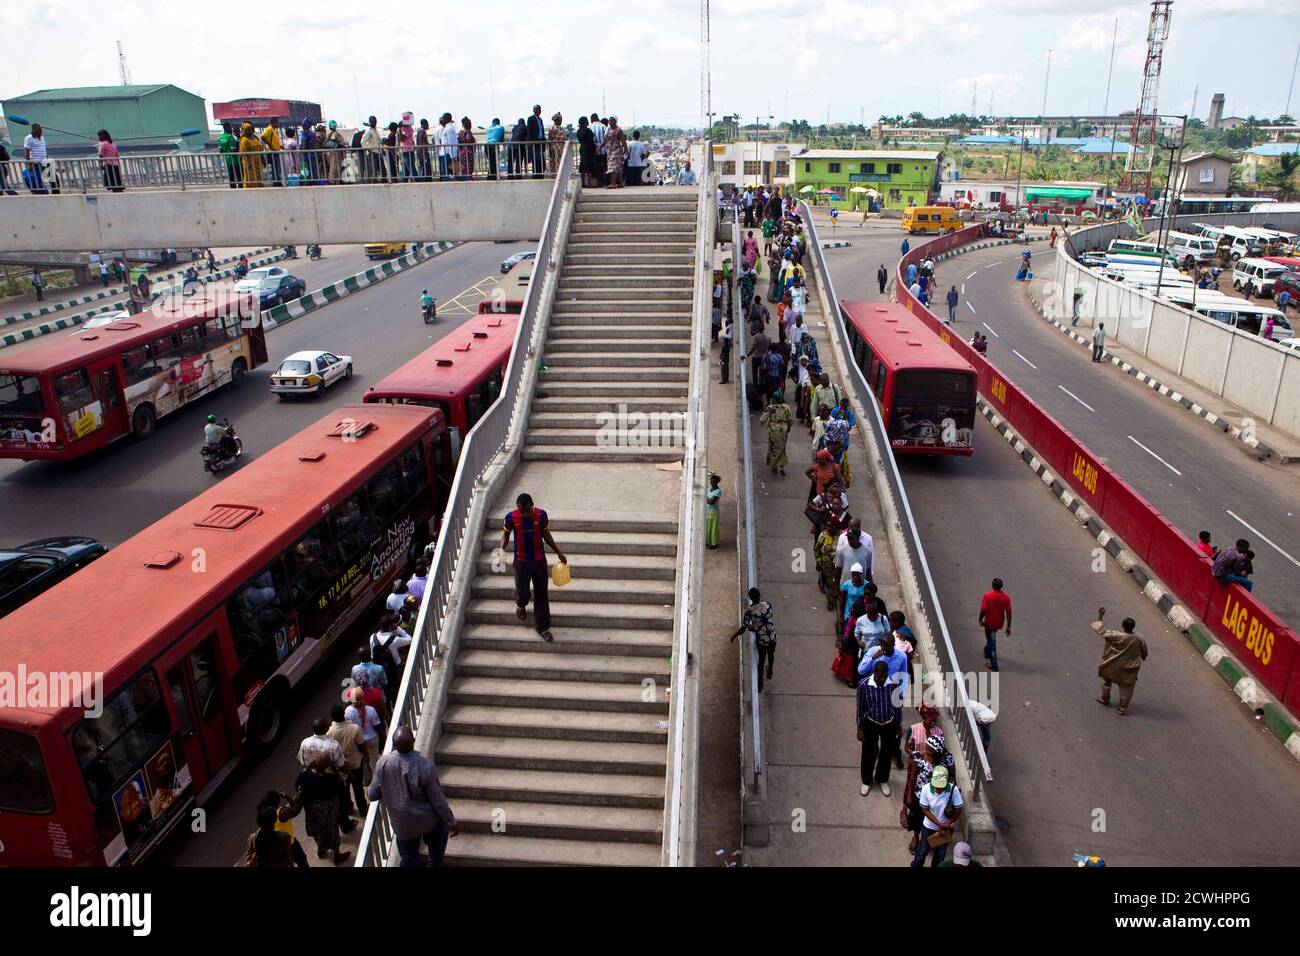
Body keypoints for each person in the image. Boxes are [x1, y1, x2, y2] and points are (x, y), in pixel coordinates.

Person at [367, 726, 458, 867]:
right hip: (428, 821)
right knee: (437, 845)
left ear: (393, 744)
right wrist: (451, 821)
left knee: (408, 859)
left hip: (403, 825)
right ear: (413, 741)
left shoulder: (383, 764)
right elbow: (438, 800)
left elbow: (372, 795)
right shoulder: (425, 765)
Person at [502, 493, 567, 642]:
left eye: (527, 510)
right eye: (521, 511)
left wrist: (559, 553)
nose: (524, 514)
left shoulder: (541, 515)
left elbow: (546, 534)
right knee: (523, 592)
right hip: (521, 563)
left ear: (532, 504)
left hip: (539, 562)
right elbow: (505, 535)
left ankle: (542, 627)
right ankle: (521, 604)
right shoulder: (511, 517)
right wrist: (501, 549)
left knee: (541, 594)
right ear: (518, 508)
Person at [1091, 606, 1149, 716]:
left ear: (1123, 626)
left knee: (1107, 680)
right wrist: (1143, 656)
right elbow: (1144, 651)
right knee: (1126, 688)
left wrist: (1100, 616)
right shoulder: (1139, 637)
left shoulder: (1117, 636)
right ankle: (1122, 708)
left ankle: (1105, 698)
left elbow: (1101, 631)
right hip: (1130, 668)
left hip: (1113, 664)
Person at [856, 659, 900, 798]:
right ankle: (867, 780)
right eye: (879, 677)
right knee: (869, 752)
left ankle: (882, 779)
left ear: (887, 674)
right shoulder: (863, 685)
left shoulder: (893, 683)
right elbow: (860, 708)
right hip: (871, 722)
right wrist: (860, 728)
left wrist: (899, 724)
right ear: (874, 673)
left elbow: (897, 705)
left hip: (889, 723)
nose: (881, 681)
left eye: (884, 677)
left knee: (886, 752)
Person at [296, 754, 350, 864]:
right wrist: (335, 769)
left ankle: (321, 849)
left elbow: (297, 785)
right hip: (328, 808)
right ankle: (337, 856)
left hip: (312, 808)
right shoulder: (329, 778)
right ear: (326, 766)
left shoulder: (305, 774)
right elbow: (340, 786)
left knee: (317, 830)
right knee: (333, 831)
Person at [912, 765, 962, 868]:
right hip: (929, 827)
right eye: (936, 785)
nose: (938, 788)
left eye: (941, 785)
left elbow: (958, 810)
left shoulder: (954, 790)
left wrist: (948, 823)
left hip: (946, 830)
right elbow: (925, 810)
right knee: (922, 852)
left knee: (940, 855)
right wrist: (939, 824)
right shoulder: (926, 789)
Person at [730, 587, 777, 691]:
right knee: (771, 655)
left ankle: (760, 683)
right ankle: (770, 672)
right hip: (772, 635)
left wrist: (734, 635)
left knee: (761, 660)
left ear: (750, 598)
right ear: (760, 595)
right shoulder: (768, 604)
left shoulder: (750, 611)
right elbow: (768, 617)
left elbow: (744, 628)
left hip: (762, 639)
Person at [327, 703, 367, 817]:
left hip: (341, 766)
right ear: (343, 714)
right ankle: (362, 808)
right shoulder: (354, 728)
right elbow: (361, 744)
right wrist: (365, 755)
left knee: (345, 789)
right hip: (355, 762)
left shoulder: (329, 733)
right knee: (358, 787)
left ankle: (349, 807)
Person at [370, 612, 412, 692]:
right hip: (395, 668)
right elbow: (410, 639)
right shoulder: (394, 640)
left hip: (380, 669)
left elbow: (372, 656)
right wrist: (398, 629)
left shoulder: (372, 637)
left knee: (387, 689)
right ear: (391, 626)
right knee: (399, 687)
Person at [978, 577, 1012, 672]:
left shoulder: (987, 596)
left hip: (989, 622)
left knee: (992, 641)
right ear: (1001, 587)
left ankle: (994, 664)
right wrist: (1008, 626)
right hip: (999, 622)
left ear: (992, 586)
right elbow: (1008, 612)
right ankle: (987, 651)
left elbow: (983, 610)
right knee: (990, 637)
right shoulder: (1006, 598)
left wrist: (980, 619)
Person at [759, 390, 793, 474]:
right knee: (782, 448)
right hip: (783, 431)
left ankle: (773, 466)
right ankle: (781, 467)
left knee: (773, 448)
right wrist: (788, 430)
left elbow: (762, 420)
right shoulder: (786, 407)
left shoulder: (770, 408)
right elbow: (790, 420)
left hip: (773, 431)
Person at [602, 116, 628, 189]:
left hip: (617, 150)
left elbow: (623, 141)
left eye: (611, 120)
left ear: (615, 121)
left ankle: (613, 183)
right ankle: (621, 183)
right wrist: (600, 147)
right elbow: (605, 140)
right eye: (609, 121)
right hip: (610, 150)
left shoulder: (619, 130)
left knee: (614, 166)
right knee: (617, 167)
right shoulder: (608, 130)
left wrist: (626, 149)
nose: (610, 122)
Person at [22, 123, 48, 192]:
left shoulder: (42, 137)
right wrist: (29, 163)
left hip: (44, 162)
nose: (41, 131)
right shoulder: (29, 138)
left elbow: (44, 149)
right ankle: (39, 192)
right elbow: (27, 151)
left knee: (53, 177)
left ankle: (55, 192)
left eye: (41, 129)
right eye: (39, 129)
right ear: (34, 130)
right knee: (37, 178)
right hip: (35, 163)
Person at [576, 116, 598, 188]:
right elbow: (591, 141)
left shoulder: (579, 131)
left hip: (582, 149)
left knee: (582, 167)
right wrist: (595, 150)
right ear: (585, 122)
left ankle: (582, 183)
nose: (588, 122)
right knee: (589, 167)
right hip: (589, 150)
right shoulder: (588, 130)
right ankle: (588, 183)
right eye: (587, 121)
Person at [526, 105, 547, 177]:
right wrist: (531, 143)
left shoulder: (540, 119)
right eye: (537, 109)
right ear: (534, 110)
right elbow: (529, 132)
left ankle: (541, 174)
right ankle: (536, 175)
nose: (539, 111)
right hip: (534, 143)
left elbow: (542, 130)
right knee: (536, 160)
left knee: (541, 161)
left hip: (541, 142)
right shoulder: (530, 119)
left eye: (539, 109)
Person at [705, 473, 722, 549]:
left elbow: (710, 502)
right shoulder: (709, 489)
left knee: (713, 528)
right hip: (708, 511)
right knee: (708, 527)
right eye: (710, 481)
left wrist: (705, 498)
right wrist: (707, 498)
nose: (711, 483)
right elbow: (708, 500)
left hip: (713, 512)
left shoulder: (718, 491)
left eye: (712, 481)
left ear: (716, 482)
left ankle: (714, 543)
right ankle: (708, 542)